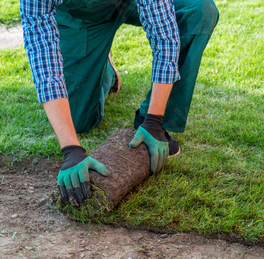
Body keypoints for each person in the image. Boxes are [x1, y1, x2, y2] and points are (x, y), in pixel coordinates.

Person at [20, 0, 219, 206]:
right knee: (77, 119)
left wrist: (154, 119)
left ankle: (150, 118)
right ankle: (104, 69)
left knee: (199, 11)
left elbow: (165, 38)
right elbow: (46, 67)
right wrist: (71, 149)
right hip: (80, 18)